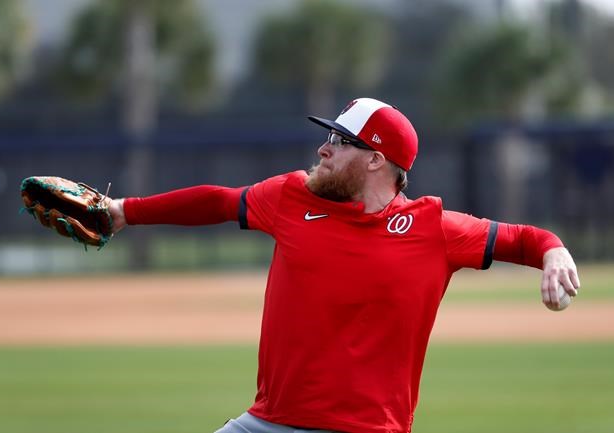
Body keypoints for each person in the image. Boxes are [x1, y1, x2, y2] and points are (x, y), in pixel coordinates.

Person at [108, 97, 580, 433]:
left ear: (377, 160)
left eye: (340, 140)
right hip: (266, 422)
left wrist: (554, 251)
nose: (323, 148)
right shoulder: (290, 197)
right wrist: (124, 211)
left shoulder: (432, 228)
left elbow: (523, 238)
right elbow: (216, 202)